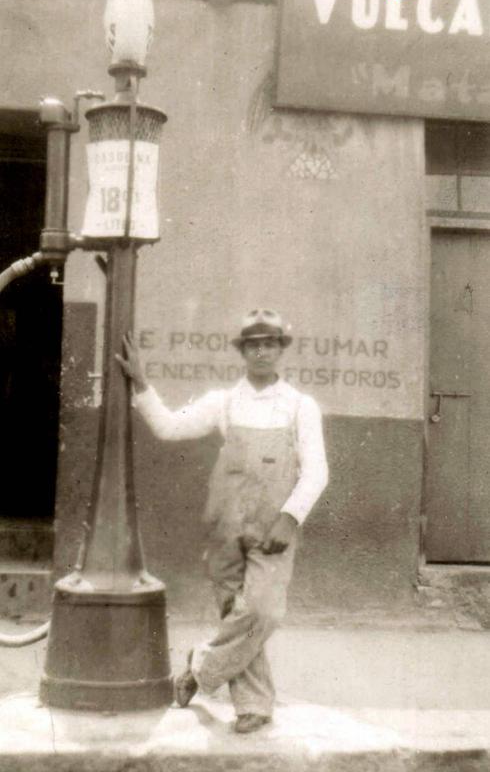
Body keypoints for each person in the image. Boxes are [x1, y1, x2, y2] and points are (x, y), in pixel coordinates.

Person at [117, 308, 328, 733]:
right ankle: (254, 705)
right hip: (226, 525)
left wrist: (290, 518)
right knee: (238, 611)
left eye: (270, 343)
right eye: (254, 344)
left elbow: (317, 470)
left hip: (273, 530)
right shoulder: (224, 402)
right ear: (243, 351)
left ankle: (200, 668)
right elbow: (169, 427)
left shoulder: (300, 407)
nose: (262, 351)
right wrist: (141, 382)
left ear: (281, 349)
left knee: (263, 611)